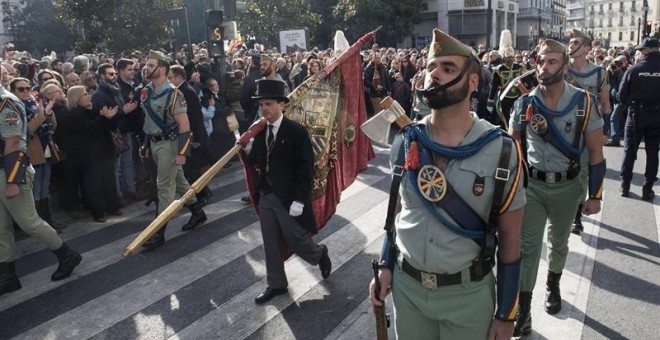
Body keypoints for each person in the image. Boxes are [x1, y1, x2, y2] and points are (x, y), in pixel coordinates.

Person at [369, 28, 526, 339]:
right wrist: (385, 265)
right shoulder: (406, 139)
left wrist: (507, 315)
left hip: (468, 296)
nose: (434, 75)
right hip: (408, 289)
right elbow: (397, 214)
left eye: (447, 68)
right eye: (430, 68)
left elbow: (510, 240)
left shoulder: (502, 150)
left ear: (473, 82)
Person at [508, 39, 604, 336]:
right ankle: (524, 310)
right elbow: (511, 153)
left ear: (564, 65)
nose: (544, 66)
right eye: (540, 61)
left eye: (551, 61)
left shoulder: (583, 102)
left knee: (559, 243)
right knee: (527, 249)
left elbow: (597, 154)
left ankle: (553, 285)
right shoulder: (523, 102)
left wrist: (595, 196)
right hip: (532, 188)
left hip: (567, 188)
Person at [244, 79, 331, 304]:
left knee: (295, 238)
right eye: (261, 104)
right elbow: (255, 161)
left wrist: (300, 200)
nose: (264, 109)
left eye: (269, 104)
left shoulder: (296, 132)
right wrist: (246, 147)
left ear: (282, 105)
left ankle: (319, 254)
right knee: (270, 241)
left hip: (288, 196)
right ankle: (276, 284)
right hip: (267, 195)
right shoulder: (260, 131)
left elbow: (305, 168)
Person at [0, 73, 82, 298]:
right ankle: (8, 276)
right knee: (1, 227)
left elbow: (14, 142)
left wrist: (12, 180)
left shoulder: (6, 102)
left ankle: (66, 255)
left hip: (10, 170)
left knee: (29, 221)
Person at [139, 51, 207, 250]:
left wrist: (181, 153)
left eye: (150, 65)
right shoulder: (146, 91)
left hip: (169, 145)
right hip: (153, 143)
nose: (146, 68)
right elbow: (148, 120)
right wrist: (144, 143)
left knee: (164, 188)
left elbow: (184, 125)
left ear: (162, 69)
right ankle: (196, 211)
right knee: (179, 181)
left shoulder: (174, 94)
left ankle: (158, 232)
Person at [565, 29, 610, 234]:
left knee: (582, 174)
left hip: (586, 131)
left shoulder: (599, 72)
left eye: (575, 43)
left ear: (586, 48)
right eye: (570, 42)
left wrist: (604, 130)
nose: (570, 46)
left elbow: (606, 105)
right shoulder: (562, 69)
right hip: (561, 130)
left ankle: (576, 216)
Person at [618, 37, 660, 200]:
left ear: (648, 50)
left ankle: (625, 185)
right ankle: (647, 188)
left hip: (636, 115)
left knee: (629, 151)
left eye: (642, 50)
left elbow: (621, 96)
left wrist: (632, 104)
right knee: (653, 152)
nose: (640, 53)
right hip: (657, 116)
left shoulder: (634, 70)